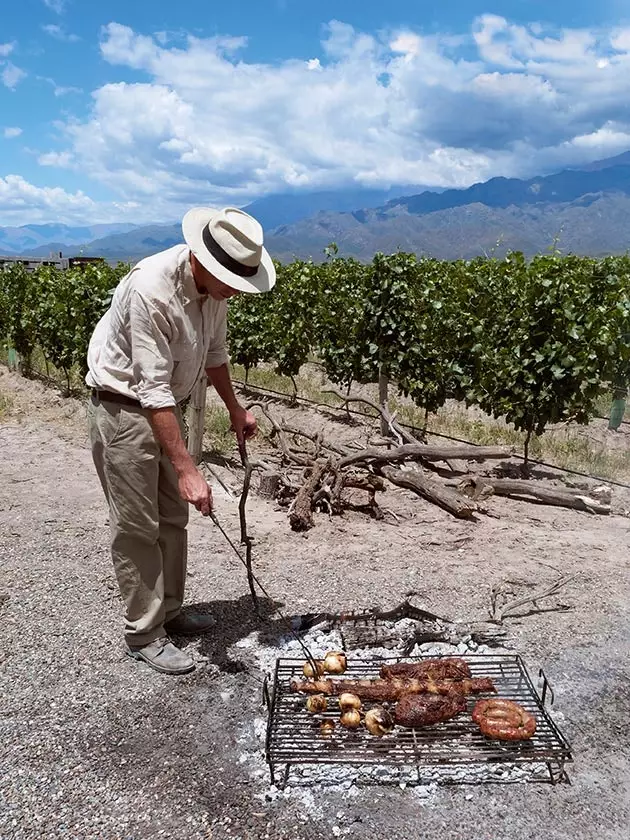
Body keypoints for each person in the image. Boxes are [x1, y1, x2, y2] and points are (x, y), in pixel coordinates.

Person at [85, 206, 276, 675]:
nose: (234, 290)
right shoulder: (152, 289)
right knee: (137, 525)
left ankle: (170, 610)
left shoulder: (216, 286)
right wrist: (190, 467)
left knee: (172, 516)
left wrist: (235, 408)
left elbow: (214, 353)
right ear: (203, 261)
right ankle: (144, 633)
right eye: (231, 280)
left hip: (163, 406)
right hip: (125, 409)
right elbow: (151, 390)